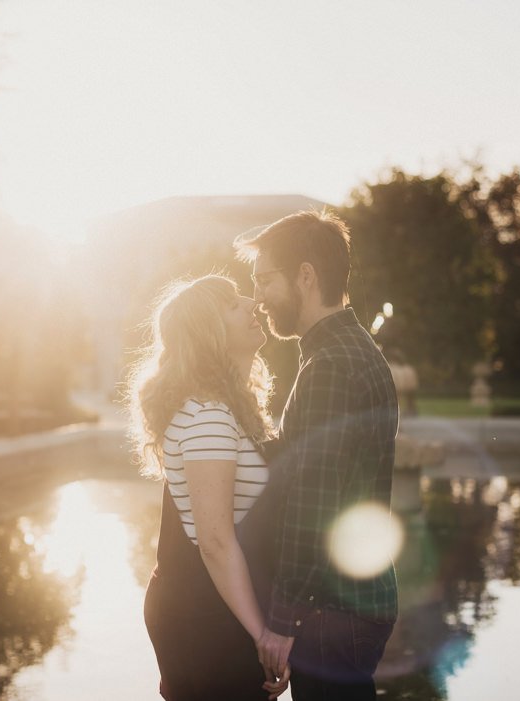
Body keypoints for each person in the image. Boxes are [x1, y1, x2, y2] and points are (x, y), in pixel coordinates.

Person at [235, 210, 400, 700]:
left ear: (305, 275)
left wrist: (282, 625)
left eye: (265, 280)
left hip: (332, 611)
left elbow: (313, 506)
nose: (259, 297)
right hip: (351, 604)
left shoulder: (329, 366)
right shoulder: (353, 351)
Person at [127, 275, 289, 701]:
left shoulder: (224, 407)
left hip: (216, 605)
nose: (253, 302)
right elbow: (215, 541)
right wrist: (263, 634)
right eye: (234, 303)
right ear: (210, 332)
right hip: (205, 614)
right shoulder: (207, 417)